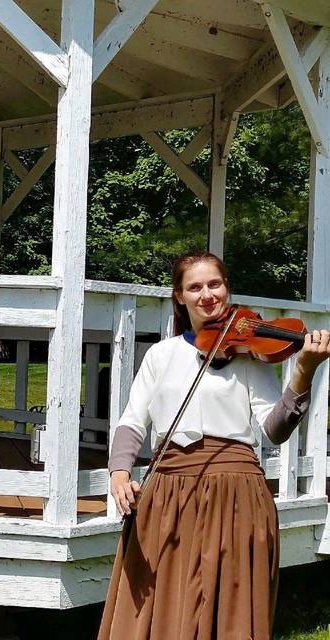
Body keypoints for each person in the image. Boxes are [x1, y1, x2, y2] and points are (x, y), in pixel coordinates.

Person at [98, 251, 330, 639]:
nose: (207, 295)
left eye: (215, 284)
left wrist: (303, 372)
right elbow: (132, 421)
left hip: (235, 492)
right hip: (168, 491)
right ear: (180, 296)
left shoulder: (251, 357)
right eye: (195, 287)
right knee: (158, 610)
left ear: (227, 289)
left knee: (230, 608)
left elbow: (274, 430)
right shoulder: (161, 355)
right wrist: (120, 473)